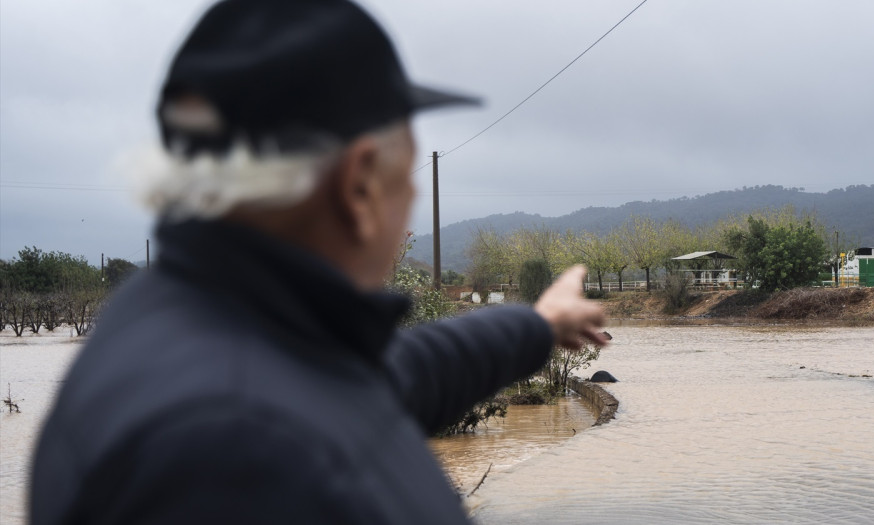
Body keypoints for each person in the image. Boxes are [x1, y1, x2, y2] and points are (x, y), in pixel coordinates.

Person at [29, 0, 607, 523]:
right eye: (404, 176)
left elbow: (405, 372)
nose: (410, 199)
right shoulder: (239, 456)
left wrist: (540, 325)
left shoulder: (195, 319)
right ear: (357, 188)